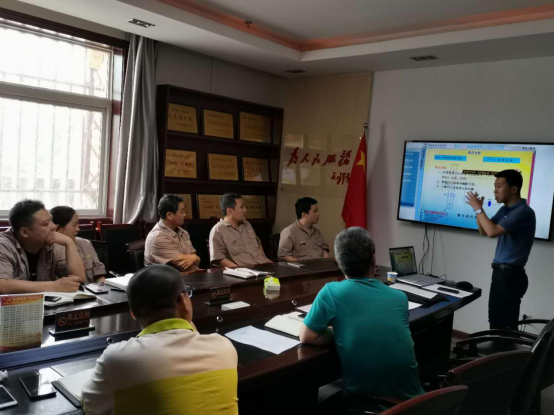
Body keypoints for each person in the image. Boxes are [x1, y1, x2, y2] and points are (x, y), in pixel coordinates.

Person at [82, 265, 239, 415]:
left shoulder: (117, 358)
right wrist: (184, 314)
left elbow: (91, 407)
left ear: (133, 313)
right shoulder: (223, 347)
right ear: (184, 301)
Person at [300, 227, 423, 410]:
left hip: (367, 406)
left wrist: (342, 332)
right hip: (416, 405)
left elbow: (306, 336)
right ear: (374, 260)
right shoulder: (399, 297)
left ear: (338, 262)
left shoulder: (331, 292)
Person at [466, 169, 536, 330]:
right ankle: (500, 346)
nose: (495, 191)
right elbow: (484, 231)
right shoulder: (505, 210)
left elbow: (492, 232)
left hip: (510, 276)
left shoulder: (523, 212)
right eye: (494, 186)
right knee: (496, 320)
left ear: (514, 189)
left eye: (499, 186)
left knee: (504, 324)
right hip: (501, 274)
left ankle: (504, 347)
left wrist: (479, 209)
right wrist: (478, 210)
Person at [0, 200, 85, 294]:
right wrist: (54, 286)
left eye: (51, 220)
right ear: (24, 232)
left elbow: (79, 281)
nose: (54, 226)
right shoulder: (3, 245)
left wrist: (69, 243)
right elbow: (2, 285)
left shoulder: (52, 242)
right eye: (46, 224)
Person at [209, 193, 272, 268]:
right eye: (241, 207)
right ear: (230, 211)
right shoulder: (217, 230)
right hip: (244, 270)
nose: (245, 210)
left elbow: (258, 244)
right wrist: (240, 270)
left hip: (263, 266)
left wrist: (265, 259)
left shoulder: (247, 224)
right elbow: (219, 259)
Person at [50, 206, 107, 285]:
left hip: (91, 290)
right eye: (74, 225)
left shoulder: (85, 243)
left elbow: (98, 273)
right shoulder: (49, 250)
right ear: (58, 228)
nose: (78, 229)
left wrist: (102, 287)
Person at [145, 195, 200, 273]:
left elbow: (195, 261)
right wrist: (195, 257)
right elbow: (184, 266)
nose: (184, 214)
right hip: (164, 279)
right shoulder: (157, 237)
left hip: (186, 277)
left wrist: (195, 258)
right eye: (182, 212)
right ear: (169, 215)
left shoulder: (184, 233)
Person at [279, 197, 330, 262]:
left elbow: (324, 249)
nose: (318, 214)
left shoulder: (317, 232)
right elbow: (284, 255)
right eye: (315, 211)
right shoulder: (289, 231)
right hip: (302, 267)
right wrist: (301, 264)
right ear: (304, 214)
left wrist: (326, 261)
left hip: (320, 266)